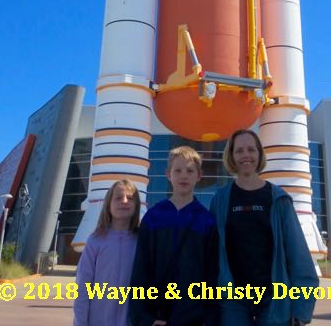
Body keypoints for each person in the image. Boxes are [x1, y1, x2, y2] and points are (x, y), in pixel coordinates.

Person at [210, 129, 319, 326]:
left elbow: (298, 254)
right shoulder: (220, 200)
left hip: (273, 299)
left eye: (251, 150)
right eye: (239, 150)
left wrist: (302, 307)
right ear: (232, 157)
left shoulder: (278, 199)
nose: (246, 155)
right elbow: (212, 254)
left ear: (259, 154)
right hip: (233, 300)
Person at [130, 146, 218, 326]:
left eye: (190, 171)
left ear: (199, 176)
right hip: (156, 316)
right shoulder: (153, 217)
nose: (183, 175)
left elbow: (212, 276)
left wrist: (209, 319)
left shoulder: (206, 220)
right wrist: (143, 318)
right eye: (177, 170)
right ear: (168, 174)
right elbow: (141, 269)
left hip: (194, 318)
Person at [73, 179, 140, 326]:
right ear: (108, 205)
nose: (124, 201)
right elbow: (83, 287)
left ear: (137, 205)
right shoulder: (95, 241)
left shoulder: (142, 241)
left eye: (130, 198)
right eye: (118, 198)